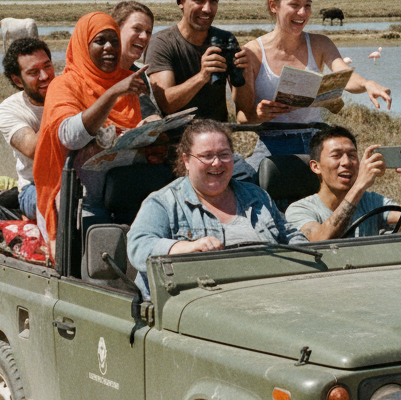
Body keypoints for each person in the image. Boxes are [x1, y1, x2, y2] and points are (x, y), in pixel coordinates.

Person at [236, 0, 393, 170]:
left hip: (317, 142)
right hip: (271, 146)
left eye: (308, 5)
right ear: (274, 6)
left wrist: (367, 84)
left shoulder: (320, 44)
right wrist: (260, 115)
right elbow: (242, 117)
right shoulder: (251, 53)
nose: (302, 13)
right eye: (294, 5)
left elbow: (343, 75)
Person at [127, 119, 306, 296]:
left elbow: (292, 237)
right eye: (207, 156)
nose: (217, 163)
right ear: (187, 160)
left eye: (224, 154)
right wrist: (186, 247)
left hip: (273, 293)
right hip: (200, 304)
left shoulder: (256, 196)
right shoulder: (164, 202)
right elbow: (138, 246)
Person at [34, 12, 148, 244]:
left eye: (115, 42)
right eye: (100, 41)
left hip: (124, 191)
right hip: (79, 200)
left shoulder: (127, 80)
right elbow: (70, 137)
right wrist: (113, 93)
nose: (110, 48)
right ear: (82, 46)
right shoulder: (64, 84)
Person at [286, 125, 401, 241]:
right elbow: (320, 240)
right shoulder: (299, 210)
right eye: (336, 155)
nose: (346, 162)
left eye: (352, 155)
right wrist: (359, 185)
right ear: (316, 166)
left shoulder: (371, 202)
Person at [146, 0, 252, 121]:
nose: (207, 9)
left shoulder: (224, 39)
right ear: (181, 2)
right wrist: (203, 76)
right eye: (199, 0)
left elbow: (243, 106)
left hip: (217, 136)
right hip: (177, 140)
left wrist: (245, 72)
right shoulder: (162, 43)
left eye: (213, 1)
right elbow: (167, 104)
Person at [0, 37, 56, 220]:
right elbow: (33, 149)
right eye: (33, 72)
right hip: (35, 188)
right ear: (18, 80)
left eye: (47, 66)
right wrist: (56, 101)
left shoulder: (69, 90)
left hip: (79, 178)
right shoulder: (7, 111)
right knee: (63, 201)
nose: (45, 76)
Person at [111, 0, 160, 120]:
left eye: (148, 32)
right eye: (137, 29)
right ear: (116, 30)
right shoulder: (94, 72)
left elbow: (147, 114)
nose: (144, 37)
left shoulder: (138, 75)